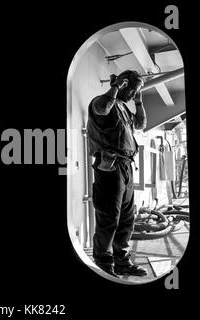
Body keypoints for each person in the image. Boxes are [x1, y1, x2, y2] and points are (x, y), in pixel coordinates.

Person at [87, 70, 148, 277]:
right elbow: (102, 109)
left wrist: (138, 101)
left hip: (126, 167)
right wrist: (115, 87)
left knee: (127, 217)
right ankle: (104, 263)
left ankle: (121, 261)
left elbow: (140, 124)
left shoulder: (124, 108)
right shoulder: (102, 102)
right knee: (109, 216)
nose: (133, 93)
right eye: (132, 89)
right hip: (109, 166)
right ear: (122, 85)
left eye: (135, 91)